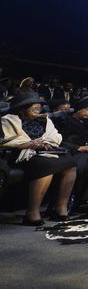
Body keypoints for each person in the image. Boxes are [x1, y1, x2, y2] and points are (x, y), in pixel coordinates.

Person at [1, 89, 78, 225]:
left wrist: (44, 143)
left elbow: (55, 137)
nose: (37, 110)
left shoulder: (43, 121)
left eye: (38, 107)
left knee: (70, 163)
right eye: (34, 108)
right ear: (22, 109)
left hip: (44, 152)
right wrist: (30, 144)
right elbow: (7, 141)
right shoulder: (8, 120)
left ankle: (60, 208)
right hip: (22, 155)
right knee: (46, 165)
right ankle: (32, 213)